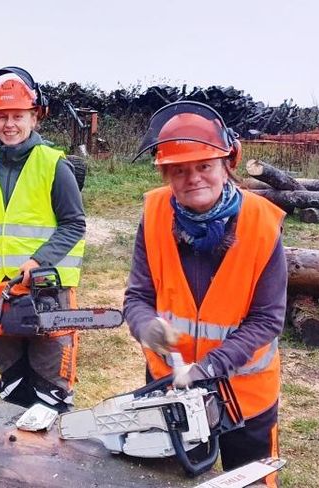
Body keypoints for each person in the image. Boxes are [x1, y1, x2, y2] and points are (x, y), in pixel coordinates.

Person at [124, 101, 285, 486]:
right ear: (166, 173)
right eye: (179, 170)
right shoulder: (155, 213)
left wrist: (209, 368)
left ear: (227, 163)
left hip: (244, 394)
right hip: (172, 387)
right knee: (166, 478)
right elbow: (137, 297)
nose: (193, 178)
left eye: (203, 166)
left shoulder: (262, 224)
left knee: (248, 480)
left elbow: (267, 319)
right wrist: (146, 327)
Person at [0, 67, 86, 412]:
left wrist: (38, 261)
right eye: (2, 117)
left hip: (49, 290)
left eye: (17, 116)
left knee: (50, 390)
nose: (9, 124)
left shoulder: (54, 165)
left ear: (34, 117)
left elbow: (74, 224)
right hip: (1, 291)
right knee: (13, 386)